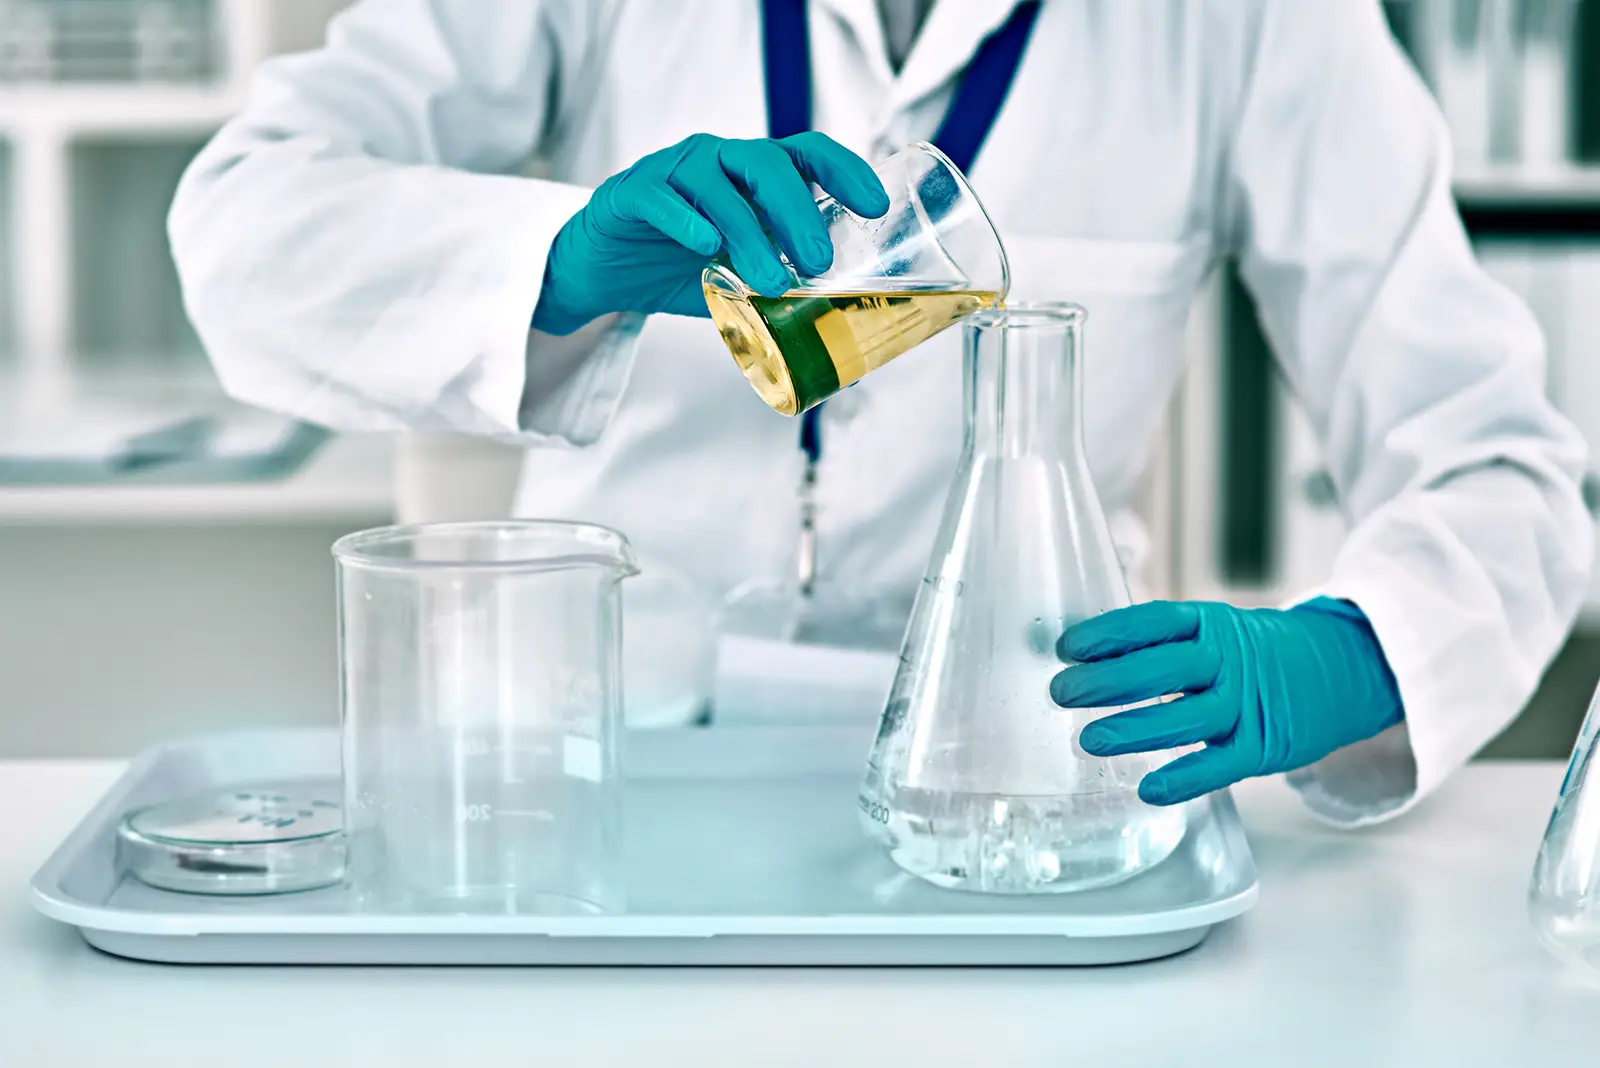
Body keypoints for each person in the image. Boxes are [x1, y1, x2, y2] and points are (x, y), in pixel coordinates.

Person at [169, 0, 1591, 827]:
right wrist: (552, 265)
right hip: (587, 768)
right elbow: (242, 223)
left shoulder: (1252, 21)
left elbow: (1500, 456)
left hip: (1028, 785)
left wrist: (1368, 651)